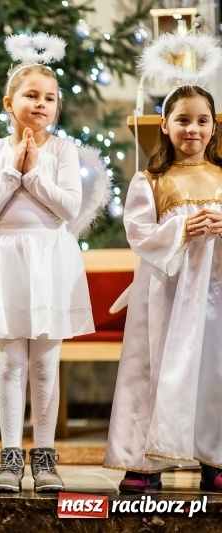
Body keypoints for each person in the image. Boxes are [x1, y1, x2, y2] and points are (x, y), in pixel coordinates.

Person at [0, 40, 94, 493]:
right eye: (31, 95)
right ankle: (10, 458)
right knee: (12, 361)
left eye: (49, 97)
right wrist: (12, 173)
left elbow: (68, 211)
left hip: (50, 259)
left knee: (45, 362)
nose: (41, 103)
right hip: (8, 257)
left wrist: (35, 172)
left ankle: (45, 456)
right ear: (10, 103)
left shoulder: (63, 152)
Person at [103, 84, 222, 493]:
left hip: (214, 292)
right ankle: (143, 460)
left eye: (202, 121)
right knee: (152, 368)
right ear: (165, 125)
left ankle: (215, 457)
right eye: (183, 120)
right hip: (165, 291)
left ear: (213, 127)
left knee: (214, 369)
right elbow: (138, 232)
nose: (193, 129)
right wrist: (181, 229)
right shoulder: (151, 180)